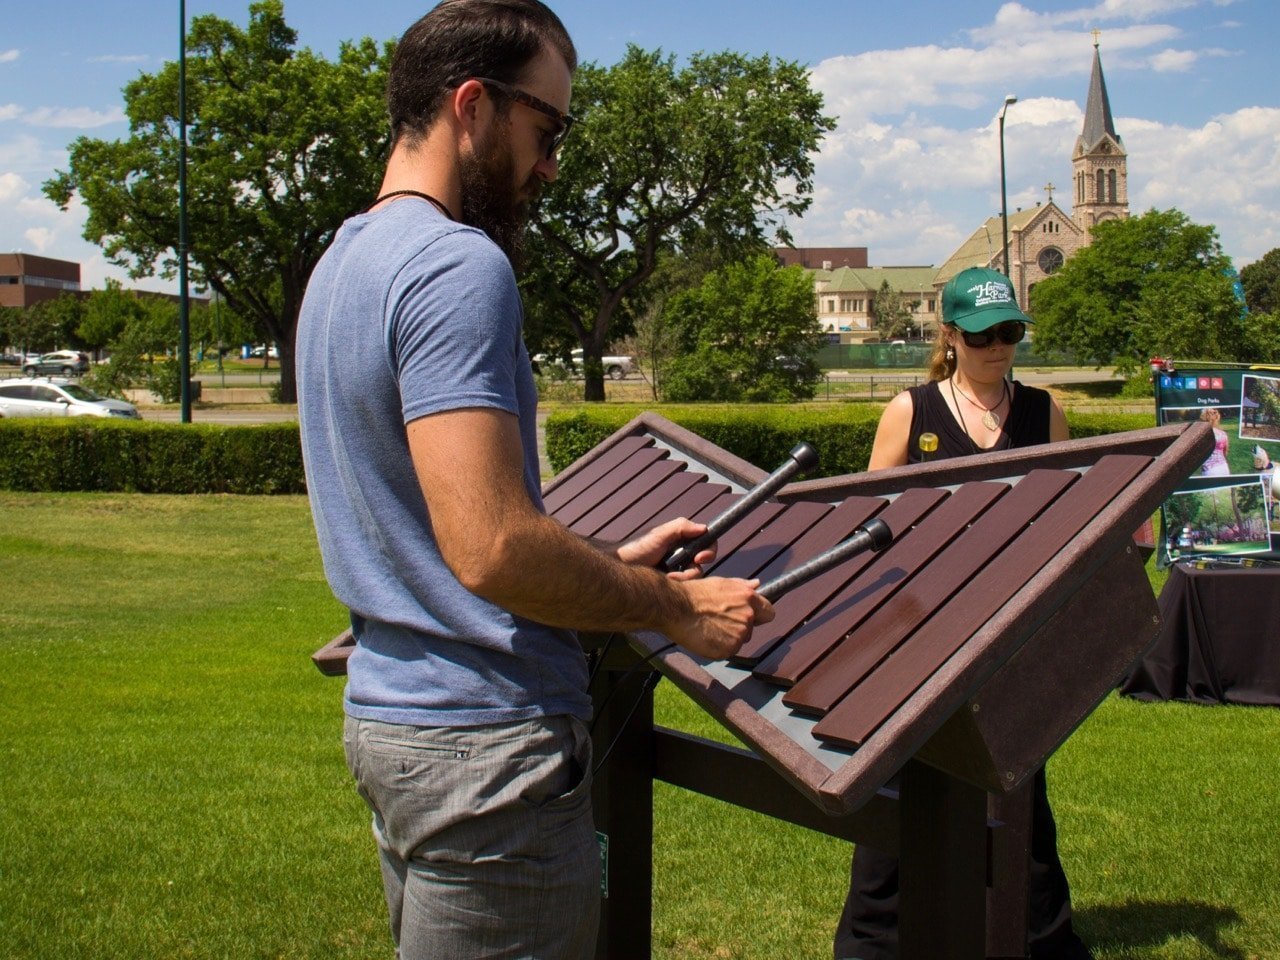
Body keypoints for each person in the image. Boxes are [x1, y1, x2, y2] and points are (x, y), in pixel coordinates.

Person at [295, 4, 774, 958]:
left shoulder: (341, 264)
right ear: (472, 106)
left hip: (398, 730)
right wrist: (671, 602)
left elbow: (434, 530)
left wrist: (599, 565)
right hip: (490, 757)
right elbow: (493, 547)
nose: (551, 166)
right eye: (545, 132)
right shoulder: (456, 266)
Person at [834, 266, 1091, 960]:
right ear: (949, 336)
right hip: (914, 633)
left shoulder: (1044, 413)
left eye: (1009, 332)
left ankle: (1037, 936)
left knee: (1019, 793)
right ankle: (875, 944)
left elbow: (1067, 520)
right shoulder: (909, 412)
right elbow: (867, 525)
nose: (998, 347)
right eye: (982, 336)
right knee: (897, 787)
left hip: (1010, 636)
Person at [1198, 407, 1230, 476]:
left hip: (1209, 470)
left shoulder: (1202, 435)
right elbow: (1225, 453)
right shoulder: (1223, 434)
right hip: (1224, 468)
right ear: (1217, 418)